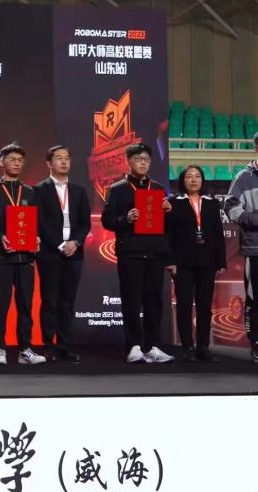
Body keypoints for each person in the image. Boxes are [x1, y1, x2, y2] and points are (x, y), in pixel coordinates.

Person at [101, 143, 174, 363]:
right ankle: (133, 345)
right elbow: (107, 220)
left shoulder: (159, 188)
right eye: (138, 159)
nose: (142, 163)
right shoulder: (117, 189)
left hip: (155, 253)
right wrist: (126, 218)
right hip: (130, 253)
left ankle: (152, 346)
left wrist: (169, 212)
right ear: (128, 161)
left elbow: (168, 225)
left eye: (146, 159)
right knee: (131, 301)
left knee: (154, 301)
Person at [0, 142, 46, 366]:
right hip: (1, 258)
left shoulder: (30, 192)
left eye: (20, 161)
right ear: (1, 162)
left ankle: (25, 349)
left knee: (25, 305)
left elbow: (37, 223)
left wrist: (37, 238)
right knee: (1, 303)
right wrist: (0, 237)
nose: (17, 163)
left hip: (26, 259)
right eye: (12, 159)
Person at [34, 145, 91, 362]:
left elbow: (85, 222)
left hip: (74, 253)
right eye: (59, 158)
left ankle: (64, 346)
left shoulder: (79, 190)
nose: (64, 162)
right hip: (50, 253)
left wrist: (75, 242)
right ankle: (48, 346)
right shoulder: (39, 190)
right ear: (49, 163)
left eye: (67, 158)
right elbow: (40, 223)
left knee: (67, 302)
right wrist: (60, 244)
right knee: (50, 301)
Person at [166, 165, 226, 362]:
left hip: (207, 261)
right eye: (189, 176)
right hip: (182, 262)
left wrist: (220, 261)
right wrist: (170, 261)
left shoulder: (211, 204)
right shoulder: (174, 203)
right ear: (182, 181)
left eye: (197, 176)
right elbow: (169, 234)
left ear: (202, 180)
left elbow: (218, 234)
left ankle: (203, 347)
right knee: (184, 305)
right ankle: (187, 347)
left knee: (204, 306)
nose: (193, 180)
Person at [223, 131, 258, 363]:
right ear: (256, 147)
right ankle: (256, 344)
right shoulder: (243, 177)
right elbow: (231, 207)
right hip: (255, 250)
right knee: (255, 299)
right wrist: (254, 219)